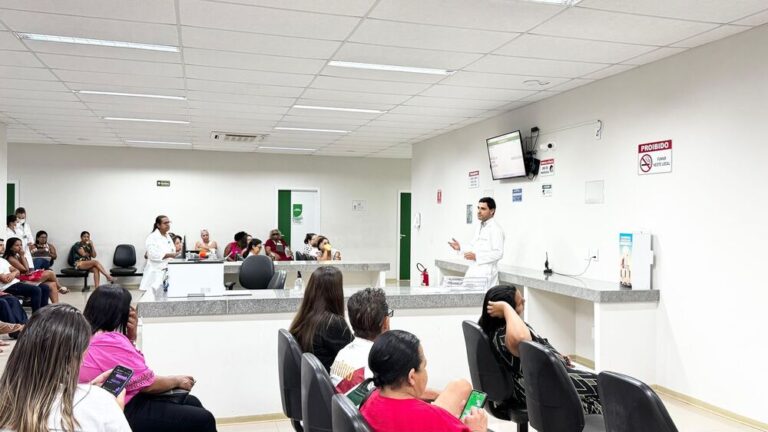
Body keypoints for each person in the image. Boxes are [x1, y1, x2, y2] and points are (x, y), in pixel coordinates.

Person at [80, 285, 217, 432]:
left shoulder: (86, 335)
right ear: (117, 313)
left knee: (192, 402)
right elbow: (147, 383)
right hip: (120, 409)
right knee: (203, 419)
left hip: (106, 402)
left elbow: (129, 372)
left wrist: (130, 337)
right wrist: (177, 380)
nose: (131, 311)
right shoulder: (110, 340)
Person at [0, 303, 132, 432]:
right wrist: (114, 409)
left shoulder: (5, 405)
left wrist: (81, 392)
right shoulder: (100, 402)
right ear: (75, 357)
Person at [479, 285, 602, 414]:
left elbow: (536, 348)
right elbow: (522, 339)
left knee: (604, 392)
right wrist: (506, 308)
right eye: (520, 302)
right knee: (607, 389)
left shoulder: (500, 331)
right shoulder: (504, 335)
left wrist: (557, 357)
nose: (524, 301)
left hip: (547, 378)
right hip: (547, 384)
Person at [361, 330, 488, 432]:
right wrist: (477, 429)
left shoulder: (370, 400)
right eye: (423, 367)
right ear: (411, 377)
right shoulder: (432, 418)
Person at [289, 266, 353, 371]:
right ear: (336, 293)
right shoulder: (333, 324)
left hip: (311, 384)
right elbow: (355, 358)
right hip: (333, 383)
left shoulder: (304, 319)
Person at [448, 197, 505, 287]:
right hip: (475, 270)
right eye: (478, 208)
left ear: (492, 211)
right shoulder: (480, 226)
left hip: (486, 273)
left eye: (483, 209)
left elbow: (498, 253)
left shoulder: (496, 229)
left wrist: (477, 256)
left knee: (482, 299)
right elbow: (474, 246)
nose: (479, 211)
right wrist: (461, 247)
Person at [0, 237, 51, 312]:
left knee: (45, 287)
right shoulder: (9, 258)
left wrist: (13, 273)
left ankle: (43, 312)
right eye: (17, 245)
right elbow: (7, 278)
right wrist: (15, 272)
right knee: (36, 289)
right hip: (8, 286)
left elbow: (21, 270)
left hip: (16, 281)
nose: (20, 247)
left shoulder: (3, 260)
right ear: (11, 247)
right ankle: (36, 316)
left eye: (21, 245)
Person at [139, 215, 176, 292]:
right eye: (165, 223)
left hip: (166, 270)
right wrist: (170, 255)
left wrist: (175, 254)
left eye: (169, 222)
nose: (168, 224)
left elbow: (172, 250)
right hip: (155, 272)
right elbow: (153, 255)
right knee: (151, 298)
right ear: (158, 225)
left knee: (164, 296)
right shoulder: (152, 237)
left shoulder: (167, 236)